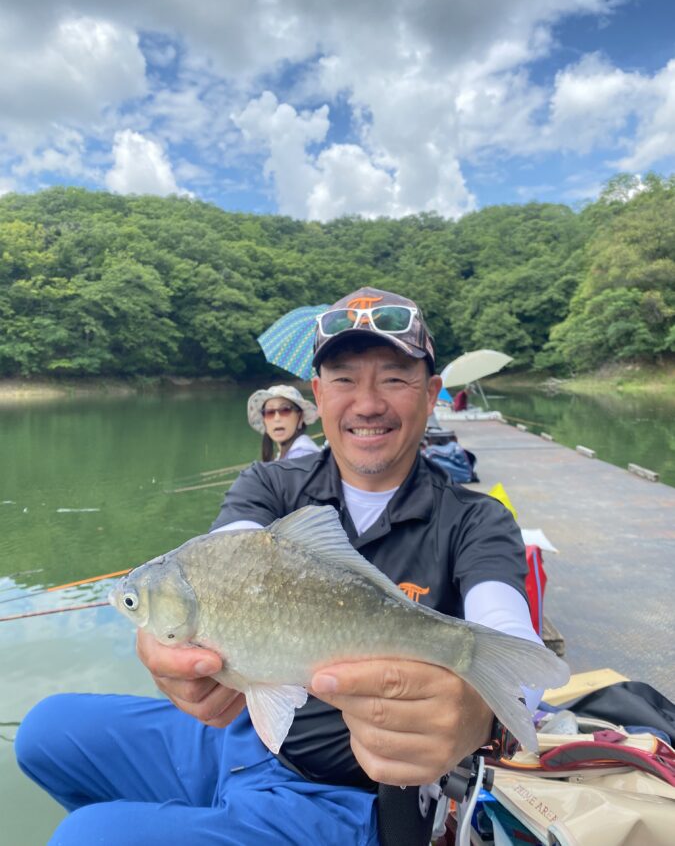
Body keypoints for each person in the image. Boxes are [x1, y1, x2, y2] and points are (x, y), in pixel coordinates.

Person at [16, 287, 542, 846]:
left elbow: (515, 649)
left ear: (431, 393)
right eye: (343, 378)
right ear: (317, 393)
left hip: (347, 789)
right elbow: (227, 550)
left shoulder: (476, 520)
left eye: (394, 377)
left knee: (90, 837)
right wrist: (171, 652)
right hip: (238, 732)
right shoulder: (270, 483)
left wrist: (479, 713)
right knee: (44, 734)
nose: (366, 403)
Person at [247, 384, 320, 462]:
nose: (277, 418)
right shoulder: (282, 458)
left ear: (300, 417)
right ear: (264, 421)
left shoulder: (303, 457)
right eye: (270, 412)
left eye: (285, 410)